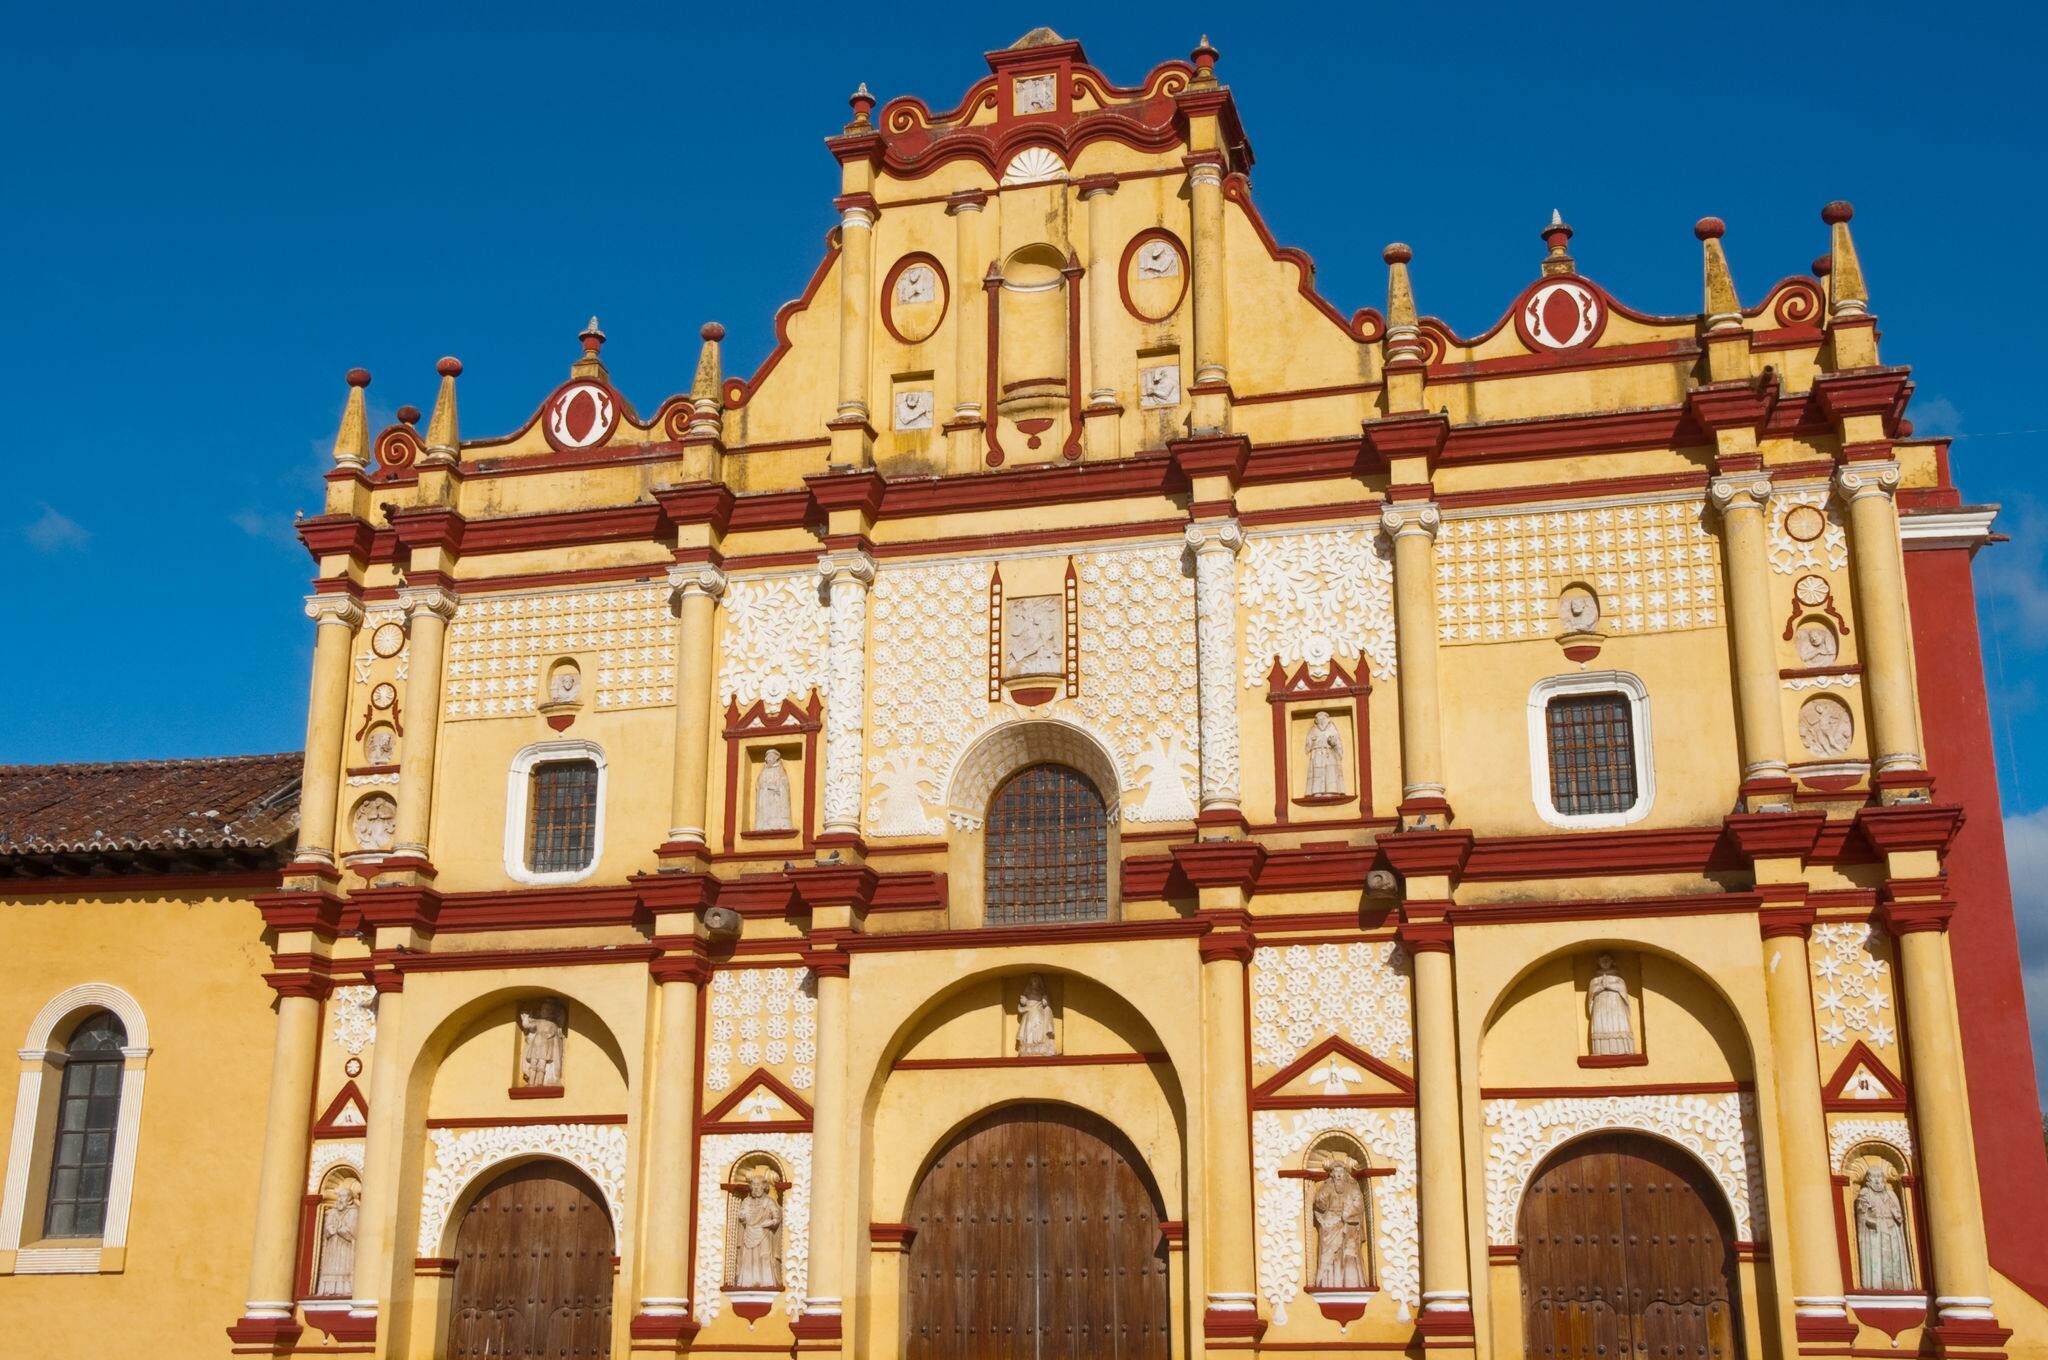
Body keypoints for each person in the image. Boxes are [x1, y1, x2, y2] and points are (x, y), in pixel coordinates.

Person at [1854, 1162, 1912, 1290]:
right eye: (1874, 1177)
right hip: (1875, 1230)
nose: (1877, 1180)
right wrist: (1868, 1217)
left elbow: (1897, 1211)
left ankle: (1896, 1285)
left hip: (1891, 1228)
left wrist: (1897, 1214)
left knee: (1893, 1257)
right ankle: (1876, 1284)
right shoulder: (1865, 1192)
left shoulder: (1890, 1193)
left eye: (1879, 1177)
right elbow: (1861, 1212)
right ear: (1869, 1179)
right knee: (1877, 1257)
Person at [1312, 1159, 1367, 1289]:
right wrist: (1320, 1200)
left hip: (1348, 1225)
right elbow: (1320, 1204)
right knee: (1329, 1255)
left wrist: (1347, 1213)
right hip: (1330, 1225)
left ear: (1345, 1173)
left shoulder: (1353, 1188)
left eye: (1341, 1171)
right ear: (1332, 1174)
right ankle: (1328, 1282)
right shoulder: (1327, 1188)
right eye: (1335, 1172)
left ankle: (1350, 1282)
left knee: (1349, 1254)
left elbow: (1359, 1205)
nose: (1338, 1175)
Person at [735, 1171, 782, 1288]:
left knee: (764, 1257)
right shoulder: (746, 1201)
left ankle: (767, 1282)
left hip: (763, 1233)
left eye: (758, 1185)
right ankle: (748, 1282)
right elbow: (742, 1214)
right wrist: (742, 1215)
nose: (756, 1188)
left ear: (764, 1186)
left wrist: (769, 1223)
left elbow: (777, 1217)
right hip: (749, 1233)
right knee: (748, 1258)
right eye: (754, 1185)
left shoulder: (769, 1202)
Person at [315, 1181, 359, 1297]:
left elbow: (353, 1229)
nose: (340, 1199)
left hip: (345, 1248)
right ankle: (327, 1290)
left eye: (343, 1196)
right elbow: (327, 1226)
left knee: (344, 1268)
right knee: (331, 1267)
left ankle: (344, 1289)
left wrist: (340, 1230)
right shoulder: (333, 1212)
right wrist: (330, 1229)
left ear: (350, 1199)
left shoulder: (354, 1211)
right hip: (332, 1248)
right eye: (339, 1196)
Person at [1588, 954, 1635, 1056]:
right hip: (1600, 1005)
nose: (1605, 963)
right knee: (1602, 1025)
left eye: (1607, 960)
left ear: (1612, 962)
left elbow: (1622, 989)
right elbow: (1591, 993)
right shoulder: (1594, 979)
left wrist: (1609, 985)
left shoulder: (1618, 977)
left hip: (1616, 1005)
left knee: (1618, 1023)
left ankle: (1623, 1049)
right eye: (1602, 961)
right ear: (1598, 963)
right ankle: (1600, 1051)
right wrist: (1600, 987)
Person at [1303, 711, 1345, 797]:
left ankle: (1331, 791)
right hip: (1317, 754)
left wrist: (1333, 743)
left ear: (1326, 718)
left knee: (1330, 772)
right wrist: (1312, 741)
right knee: (1317, 773)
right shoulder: (1313, 730)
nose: (1320, 720)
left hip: (1329, 754)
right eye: (1318, 718)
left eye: (1322, 718)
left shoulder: (1332, 728)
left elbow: (1338, 744)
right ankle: (1316, 791)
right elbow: (1307, 747)